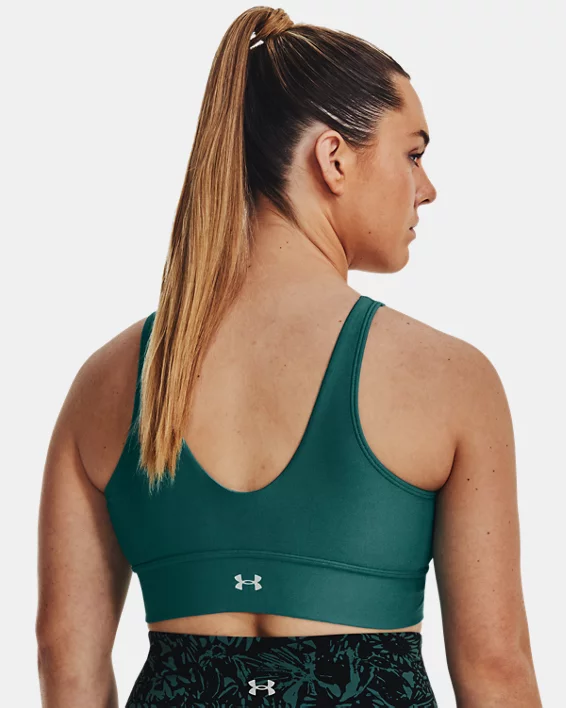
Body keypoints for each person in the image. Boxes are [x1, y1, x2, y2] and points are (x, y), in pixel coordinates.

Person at [36, 5, 542, 707]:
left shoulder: (108, 380)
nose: (427, 189)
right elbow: (495, 667)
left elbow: (65, 658)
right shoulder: (448, 379)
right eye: (413, 153)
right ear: (334, 159)